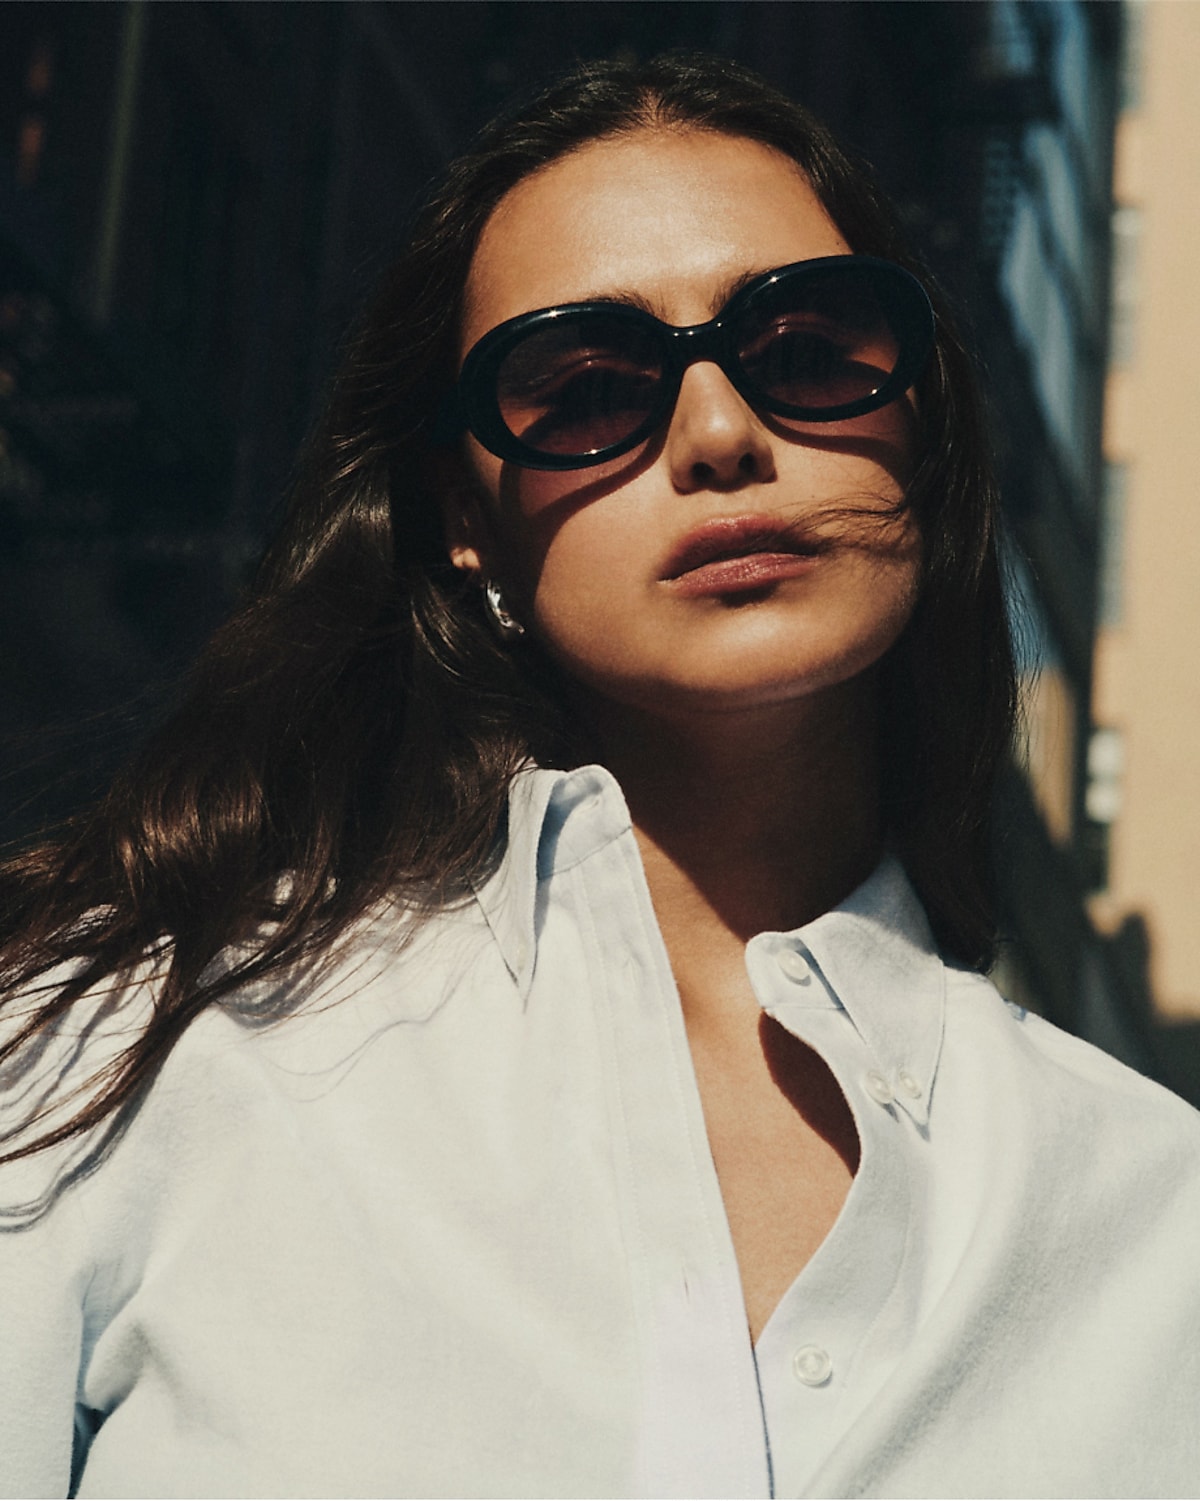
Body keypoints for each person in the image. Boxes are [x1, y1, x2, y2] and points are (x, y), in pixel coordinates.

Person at [2, 52, 1198, 1501]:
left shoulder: (1157, 1213)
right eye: (582, 389)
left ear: (922, 430)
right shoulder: (129, 1055)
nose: (719, 437)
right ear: (465, 523)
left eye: (812, 348)